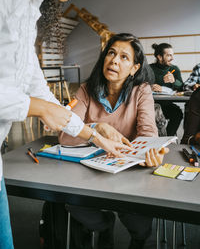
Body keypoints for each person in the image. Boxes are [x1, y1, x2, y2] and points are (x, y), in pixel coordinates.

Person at [0, 0, 133, 248]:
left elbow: (41, 93)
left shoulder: (29, 5)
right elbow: (42, 104)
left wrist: (95, 136)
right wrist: (39, 108)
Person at [59, 33, 169, 249]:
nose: (114, 61)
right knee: (74, 203)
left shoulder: (141, 90)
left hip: (129, 168)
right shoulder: (85, 89)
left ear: (135, 68)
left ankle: (138, 239)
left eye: (124, 57)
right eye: (111, 53)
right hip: (90, 170)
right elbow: (65, 135)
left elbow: (148, 134)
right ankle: (104, 226)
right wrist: (97, 128)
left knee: (137, 216)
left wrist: (145, 154)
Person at [150, 43, 183, 136]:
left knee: (178, 113)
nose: (172, 58)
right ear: (159, 57)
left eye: (172, 55)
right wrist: (150, 86)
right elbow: (140, 86)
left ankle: (168, 137)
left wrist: (174, 81)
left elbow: (182, 88)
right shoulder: (149, 69)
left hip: (167, 105)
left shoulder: (174, 69)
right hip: (151, 105)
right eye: (169, 55)